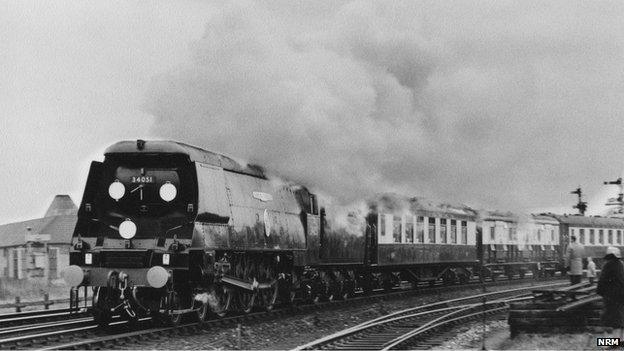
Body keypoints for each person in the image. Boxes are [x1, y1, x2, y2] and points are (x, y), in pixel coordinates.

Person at [597, 247, 624, 339]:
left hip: (610, 298)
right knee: (619, 320)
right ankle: (620, 342)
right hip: (621, 297)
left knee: (608, 322)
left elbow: (601, 282)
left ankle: (608, 344)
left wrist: (600, 292)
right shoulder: (622, 265)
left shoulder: (607, 266)